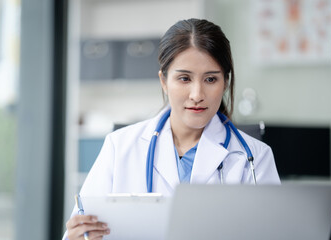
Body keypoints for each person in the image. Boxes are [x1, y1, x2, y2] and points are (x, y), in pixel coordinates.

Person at [63, 18, 280, 240]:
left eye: (211, 79)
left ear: (225, 82)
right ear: (164, 81)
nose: (197, 94)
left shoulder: (255, 157)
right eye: (184, 78)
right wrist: (78, 236)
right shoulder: (119, 147)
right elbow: (81, 229)